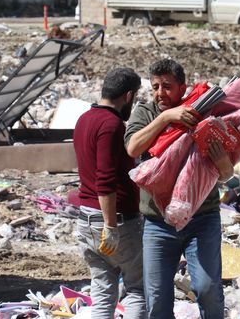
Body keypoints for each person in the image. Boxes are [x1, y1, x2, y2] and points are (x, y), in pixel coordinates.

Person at [125, 59, 233, 319]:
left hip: (202, 220)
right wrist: (165, 117)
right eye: (155, 87)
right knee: (157, 297)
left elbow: (227, 175)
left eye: (167, 87)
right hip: (158, 223)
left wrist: (222, 163)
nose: (160, 93)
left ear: (182, 88)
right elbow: (133, 148)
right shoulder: (147, 113)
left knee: (207, 288)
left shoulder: (204, 112)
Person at [73, 67, 146, 319]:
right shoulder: (113, 125)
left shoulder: (84, 119)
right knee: (138, 289)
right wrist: (111, 226)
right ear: (128, 95)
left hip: (86, 220)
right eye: (134, 97)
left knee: (103, 291)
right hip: (116, 222)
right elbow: (105, 180)